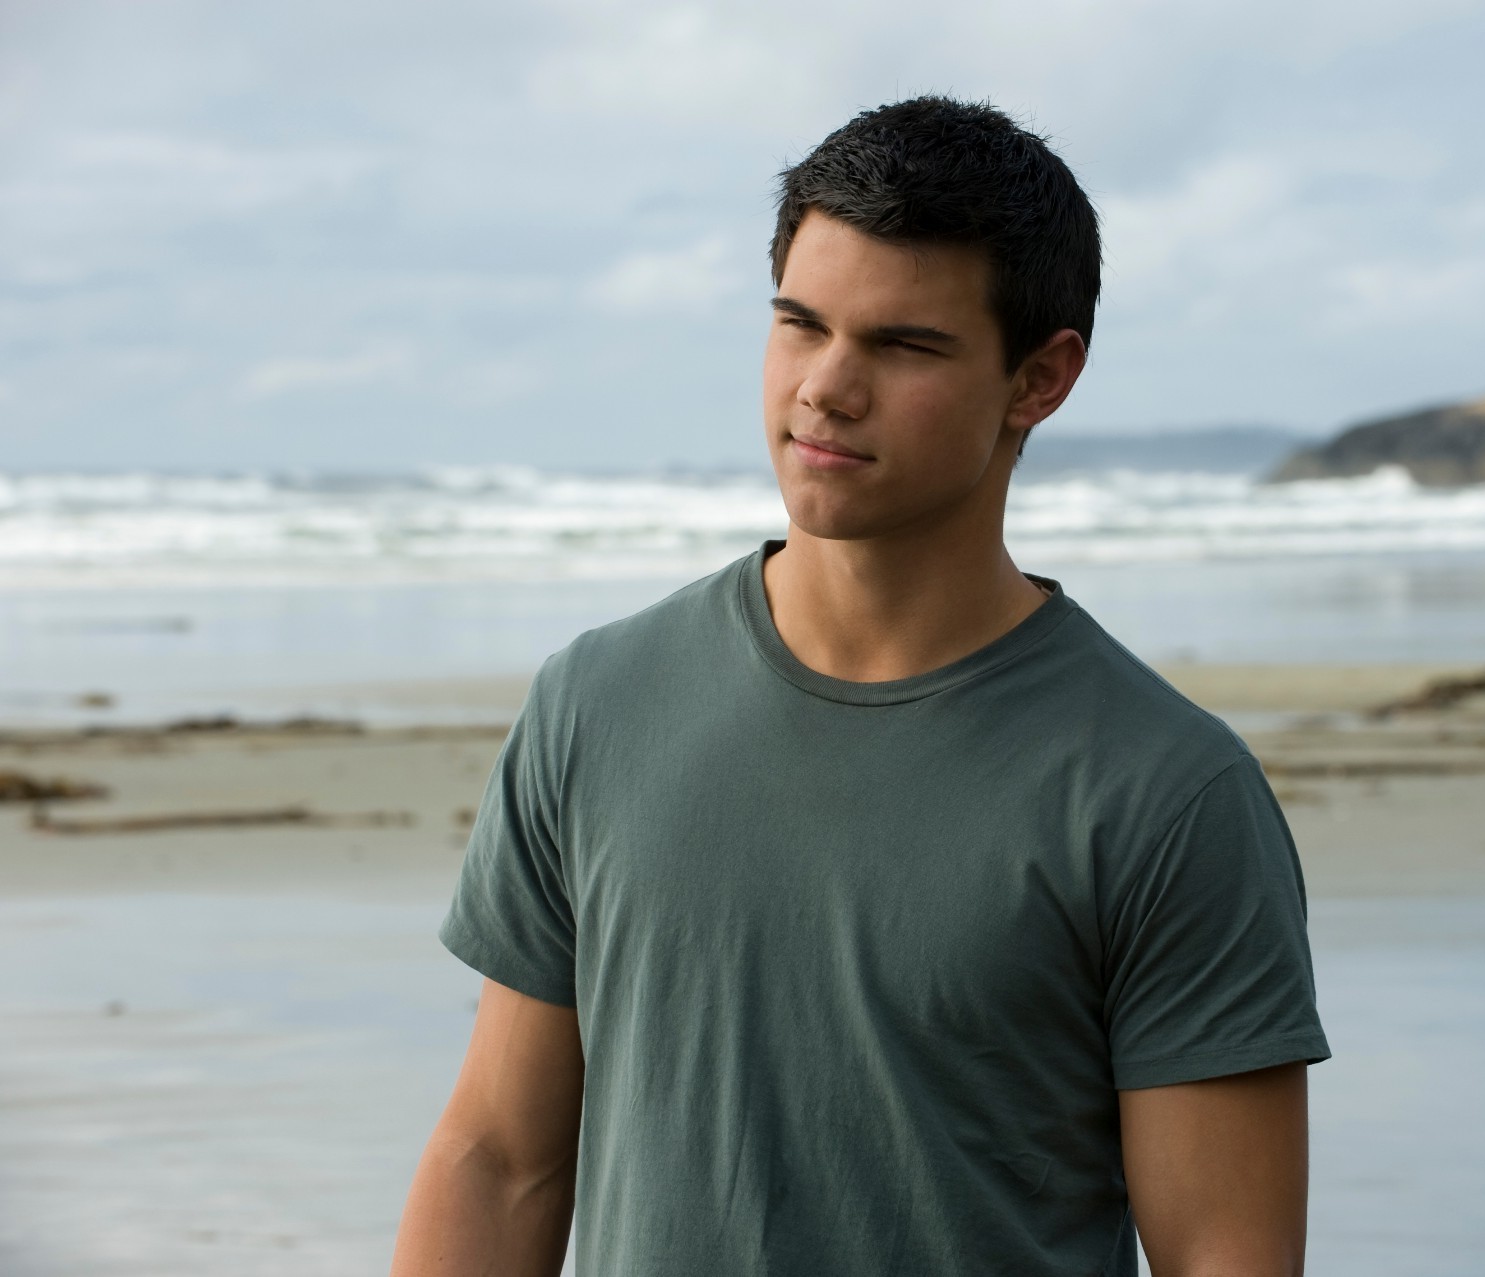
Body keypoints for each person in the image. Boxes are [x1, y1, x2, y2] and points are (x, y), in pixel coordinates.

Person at [391, 95, 1328, 1277]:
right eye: (801, 324)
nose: (825, 388)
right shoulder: (596, 704)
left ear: (1039, 380)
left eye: (902, 345)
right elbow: (497, 1157)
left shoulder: (1165, 791)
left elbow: (1225, 1256)